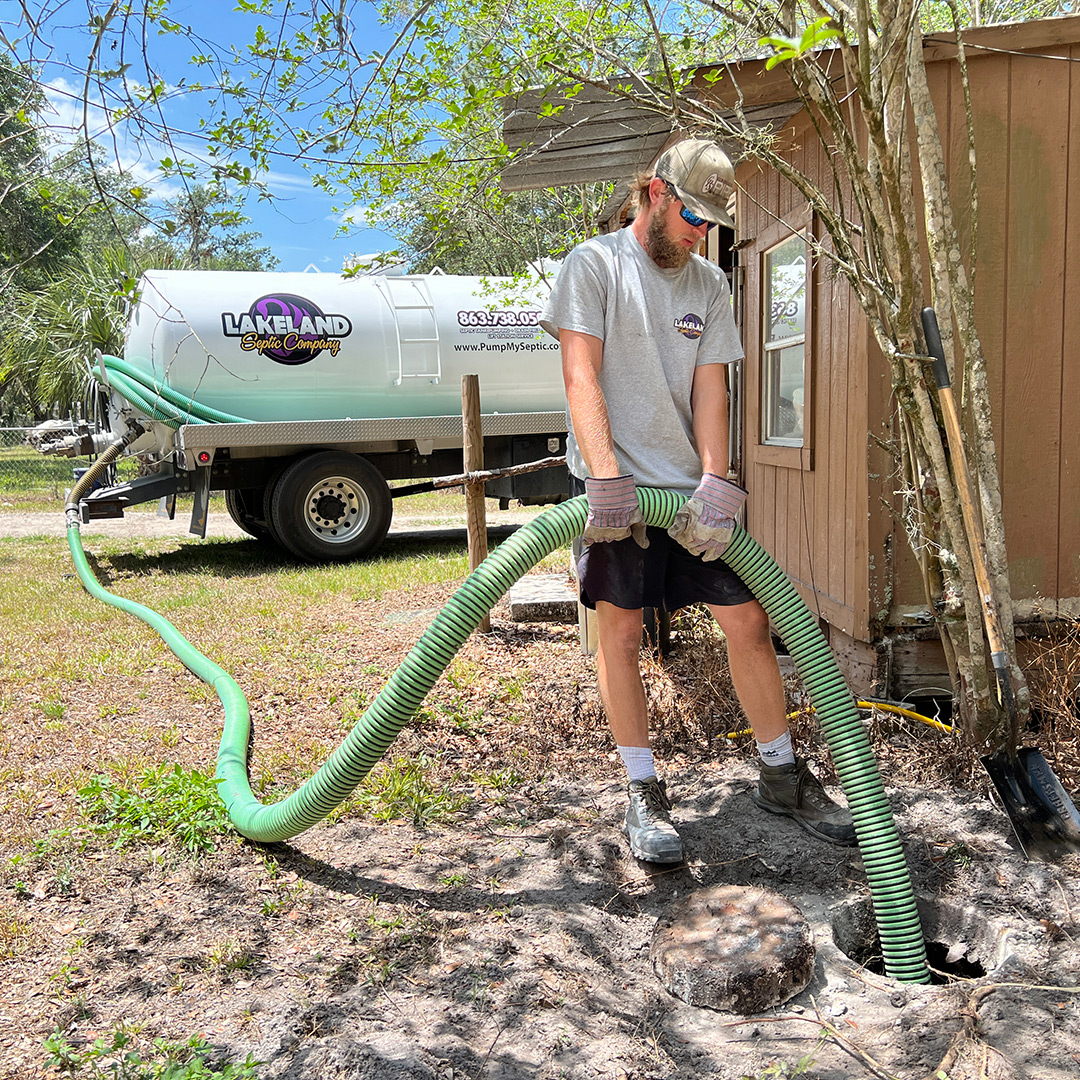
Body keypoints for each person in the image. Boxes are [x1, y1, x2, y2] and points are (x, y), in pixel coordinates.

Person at [540, 138, 856, 863]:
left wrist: (716, 478)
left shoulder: (710, 285)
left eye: (711, 221)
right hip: (612, 490)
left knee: (747, 619)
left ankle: (780, 774)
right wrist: (606, 474)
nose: (699, 231)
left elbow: (711, 388)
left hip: (686, 498)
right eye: (690, 213)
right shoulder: (593, 266)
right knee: (621, 637)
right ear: (654, 192)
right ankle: (642, 791)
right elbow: (579, 375)